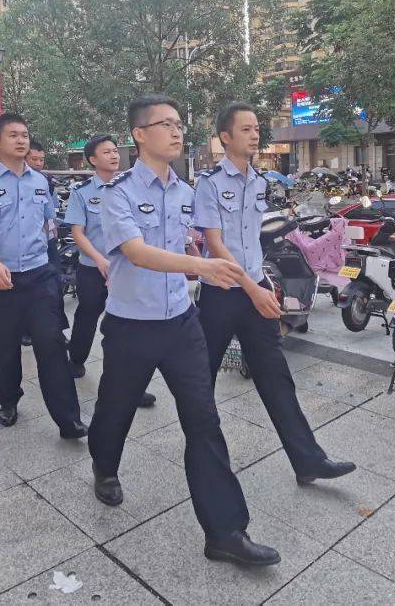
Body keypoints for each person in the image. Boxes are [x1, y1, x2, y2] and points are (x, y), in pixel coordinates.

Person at [88, 94, 279, 567]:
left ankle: (225, 532)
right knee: (115, 409)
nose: (176, 132)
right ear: (139, 134)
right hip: (131, 326)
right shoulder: (116, 194)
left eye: (179, 124)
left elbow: (209, 235)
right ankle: (104, 465)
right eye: (165, 124)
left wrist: (248, 275)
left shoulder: (186, 191)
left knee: (204, 422)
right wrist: (202, 266)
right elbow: (135, 252)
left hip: (180, 324)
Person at [195, 103, 356, 485]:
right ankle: (202, 458)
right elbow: (215, 245)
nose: (254, 134)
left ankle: (308, 460)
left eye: (256, 128)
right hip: (221, 294)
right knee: (202, 380)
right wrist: (253, 288)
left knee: (276, 377)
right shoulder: (209, 183)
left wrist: (262, 284)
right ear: (225, 138)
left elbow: (253, 239)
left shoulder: (261, 181)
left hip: (255, 290)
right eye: (246, 129)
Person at [0, 113, 85, 436]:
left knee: (52, 343)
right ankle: (8, 399)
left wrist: (53, 266)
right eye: (13, 135)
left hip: (39, 276)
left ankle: (68, 419)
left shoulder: (40, 182)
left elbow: (49, 225)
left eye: (25, 135)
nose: (21, 140)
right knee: (4, 347)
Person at [63, 135, 156, 407]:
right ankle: (76, 359)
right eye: (106, 152)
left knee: (129, 326)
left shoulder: (133, 188)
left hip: (126, 270)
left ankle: (132, 385)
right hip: (93, 268)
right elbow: (78, 233)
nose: (114, 155)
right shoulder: (82, 193)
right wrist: (99, 259)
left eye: (115, 151)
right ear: (93, 160)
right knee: (87, 316)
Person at [23, 139, 69, 344]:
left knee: (55, 286)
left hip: (46, 242)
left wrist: (52, 235)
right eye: (34, 159)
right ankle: (26, 330)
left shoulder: (45, 182)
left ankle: (57, 330)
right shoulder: (13, 183)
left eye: (41, 159)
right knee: (28, 291)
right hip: (23, 245)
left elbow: (51, 212)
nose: (39, 163)